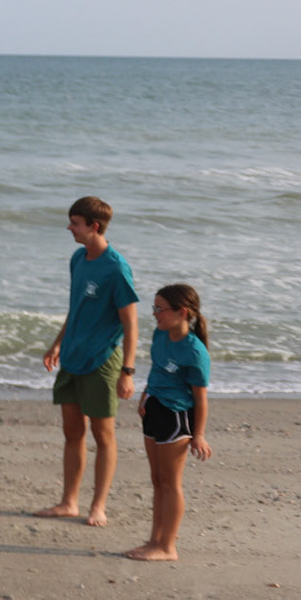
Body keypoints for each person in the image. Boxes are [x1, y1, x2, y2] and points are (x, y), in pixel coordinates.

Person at [36, 196, 137, 526]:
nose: (69, 228)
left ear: (94, 226)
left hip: (102, 361)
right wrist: (57, 345)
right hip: (72, 357)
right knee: (72, 432)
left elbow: (130, 323)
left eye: (75, 223)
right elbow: (76, 307)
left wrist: (127, 371)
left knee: (103, 435)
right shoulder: (78, 258)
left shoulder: (116, 268)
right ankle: (69, 502)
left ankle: (98, 506)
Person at [126, 284, 212, 562]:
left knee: (170, 482)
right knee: (157, 480)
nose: (155, 314)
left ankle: (167, 546)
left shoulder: (195, 352)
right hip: (154, 408)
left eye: (160, 309)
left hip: (176, 416)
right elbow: (157, 369)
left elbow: (200, 399)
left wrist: (199, 435)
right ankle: (155, 540)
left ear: (182, 312)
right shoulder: (160, 334)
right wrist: (145, 396)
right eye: (154, 308)